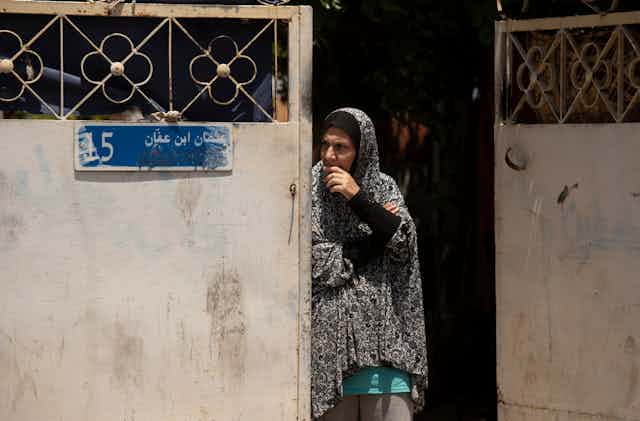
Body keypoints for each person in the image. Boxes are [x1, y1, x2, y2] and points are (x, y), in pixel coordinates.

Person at [311, 108, 428, 421]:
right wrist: (379, 235)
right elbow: (312, 263)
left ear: (362, 152)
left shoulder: (383, 187)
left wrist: (358, 197)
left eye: (341, 148)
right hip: (331, 362)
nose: (329, 156)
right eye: (325, 145)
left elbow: (403, 245)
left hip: (388, 355)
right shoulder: (311, 191)